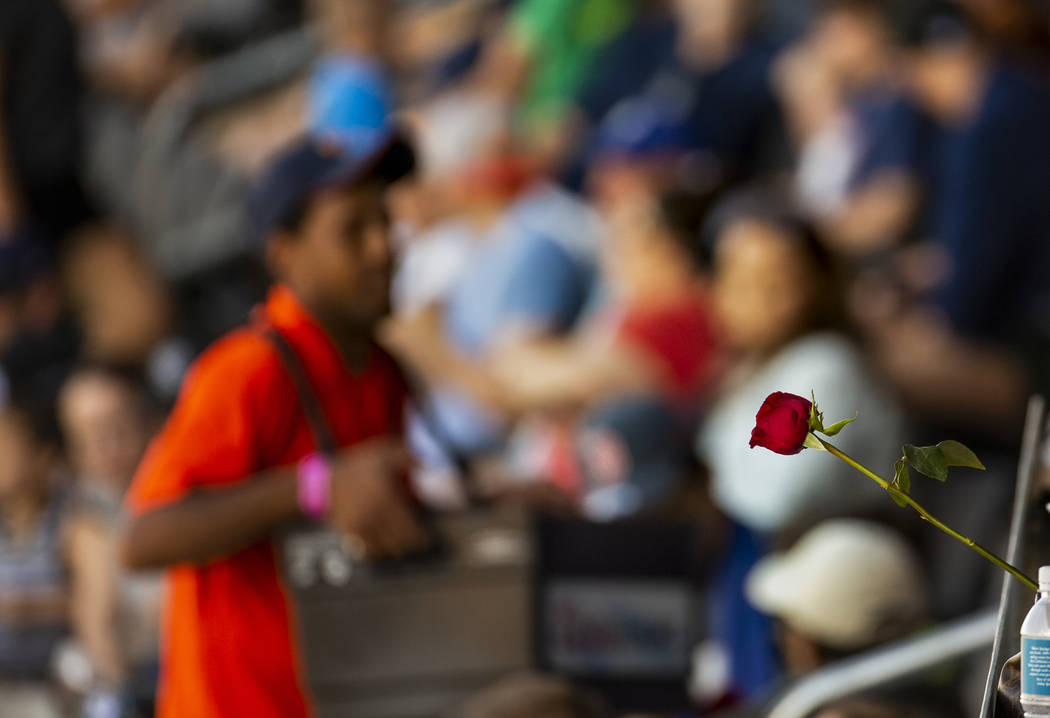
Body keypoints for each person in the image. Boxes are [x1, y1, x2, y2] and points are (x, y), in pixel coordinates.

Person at [119, 126, 428, 718]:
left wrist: (491, 507)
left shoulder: (380, 366)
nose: (383, 246)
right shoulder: (249, 368)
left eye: (385, 221)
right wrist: (314, 486)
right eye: (352, 231)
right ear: (284, 252)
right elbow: (142, 538)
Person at [696, 191, 901, 535]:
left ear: (817, 282)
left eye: (778, 282)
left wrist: (716, 478)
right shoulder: (749, 366)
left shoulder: (829, 365)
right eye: (740, 281)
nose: (764, 300)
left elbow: (781, 500)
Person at [58, 366, 161, 716]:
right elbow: (96, 619)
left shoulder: (183, 495)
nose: (111, 445)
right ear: (74, 451)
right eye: (92, 435)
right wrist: (120, 689)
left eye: (121, 426)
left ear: (148, 424)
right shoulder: (86, 523)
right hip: (133, 681)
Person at [0, 400, 68, 718]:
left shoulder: (71, 522)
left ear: (43, 457)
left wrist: (26, 606)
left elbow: (90, 601)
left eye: (7, 447)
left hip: (55, 686)